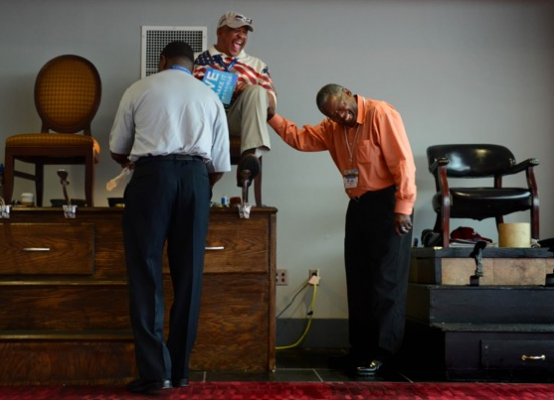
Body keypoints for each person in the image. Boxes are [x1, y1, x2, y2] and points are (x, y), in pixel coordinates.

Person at [267, 84, 416, 376]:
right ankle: (360, 351)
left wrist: (403, 208)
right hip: (358, 206)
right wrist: (272, 117)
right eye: (334, 115)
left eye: (343, 109)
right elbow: (300, 138)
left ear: (349, 93)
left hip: (388, 205)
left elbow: (403, 163)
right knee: (359, 281)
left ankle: (385, 354)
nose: (343, 117)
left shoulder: (380, 113)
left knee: (386, 282)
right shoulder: (332, 126)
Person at [109, 41, 231, 394]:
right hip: (196, 180)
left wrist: (149, 166)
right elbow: (220, 164)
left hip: (151, 179)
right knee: (189, 277)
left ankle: (154, 374)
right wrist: (194, 181)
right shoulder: (209, 97)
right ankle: (180, 372)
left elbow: (118, 147)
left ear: (162, 61)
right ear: (193, 67)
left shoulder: (139, 88)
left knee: (146, 274)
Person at [193, 11, 276, 189]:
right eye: (235, 30)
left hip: (236, 121)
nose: (241, 36)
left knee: (256, 91)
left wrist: (246, 90)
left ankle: (248, 157)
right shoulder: (197, 60)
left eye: (245, 32)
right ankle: (199, 191)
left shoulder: (257, 65)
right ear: (220, 32)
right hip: (205, 122)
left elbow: (271, 106)